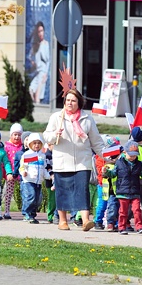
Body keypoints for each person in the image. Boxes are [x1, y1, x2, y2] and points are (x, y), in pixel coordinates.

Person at [43, 88, 105, 231]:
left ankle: (85, 221)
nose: (70, 103)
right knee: (62, 190)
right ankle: (63, 221)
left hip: (83, 161)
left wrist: (106, 156)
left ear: (79, 103)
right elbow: (46, 136)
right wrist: (54, 135)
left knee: (82, 190)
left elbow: (96, 142)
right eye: (68, 100)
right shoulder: (56, 117)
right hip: (62, 161)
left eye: (73, 100)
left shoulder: (87, 119)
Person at [106, 140, 142, 235]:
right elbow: (113, 174)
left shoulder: (139, 164)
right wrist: (106, 172)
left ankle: (139, 226)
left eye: (135, 155)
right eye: (131, 155)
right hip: (122, 192)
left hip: (135, 191)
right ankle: (122, 227)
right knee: (123, 211)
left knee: (137, 210)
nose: (133, 157)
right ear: (125, 152)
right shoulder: (119, 163)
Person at [14, 133, 47, 223]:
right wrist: (23, 172)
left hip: (38, 181)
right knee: (30, 197)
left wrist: (48, 176)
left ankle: (32, 215)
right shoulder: (28, 155)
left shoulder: (42, 156)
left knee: (37, 199)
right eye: (34, 143)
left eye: (38, 143)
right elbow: (22, 167)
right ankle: (26, 213)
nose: (36, 145)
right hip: (28, 180)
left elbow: (44, 168)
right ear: (30, 144)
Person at [96, 142, 121, 231]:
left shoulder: (119, 164)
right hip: (110, 191)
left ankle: (117, 223)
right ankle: (103, 222)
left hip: (119, 190)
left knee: (117, 208)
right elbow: (103, 175)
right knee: (109, 207)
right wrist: (105, 172)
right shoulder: (108, 165)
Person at [3, 123, 25, 220]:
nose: (17, 137)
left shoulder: (22, 147)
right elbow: (4, 160)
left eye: (19, 135)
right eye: (15, 134)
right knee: (8, 192)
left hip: (21, 174)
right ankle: (6, 211)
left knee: (24, 192)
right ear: (11, 135)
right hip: (10, 174)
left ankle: (26, 211)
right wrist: (7, 172)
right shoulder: (7, 147)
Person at [28, 21, 50, 104]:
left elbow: (48, 60)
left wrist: (46, 74)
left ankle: (37, 112)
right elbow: (30, 56)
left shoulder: (45, 44)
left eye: (42, 31)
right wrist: (33, 62)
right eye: (39, 31)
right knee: (31, 89)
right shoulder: (36, 45)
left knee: (38, 95)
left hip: (42, 73)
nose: (41, 33)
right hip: (37, 73)